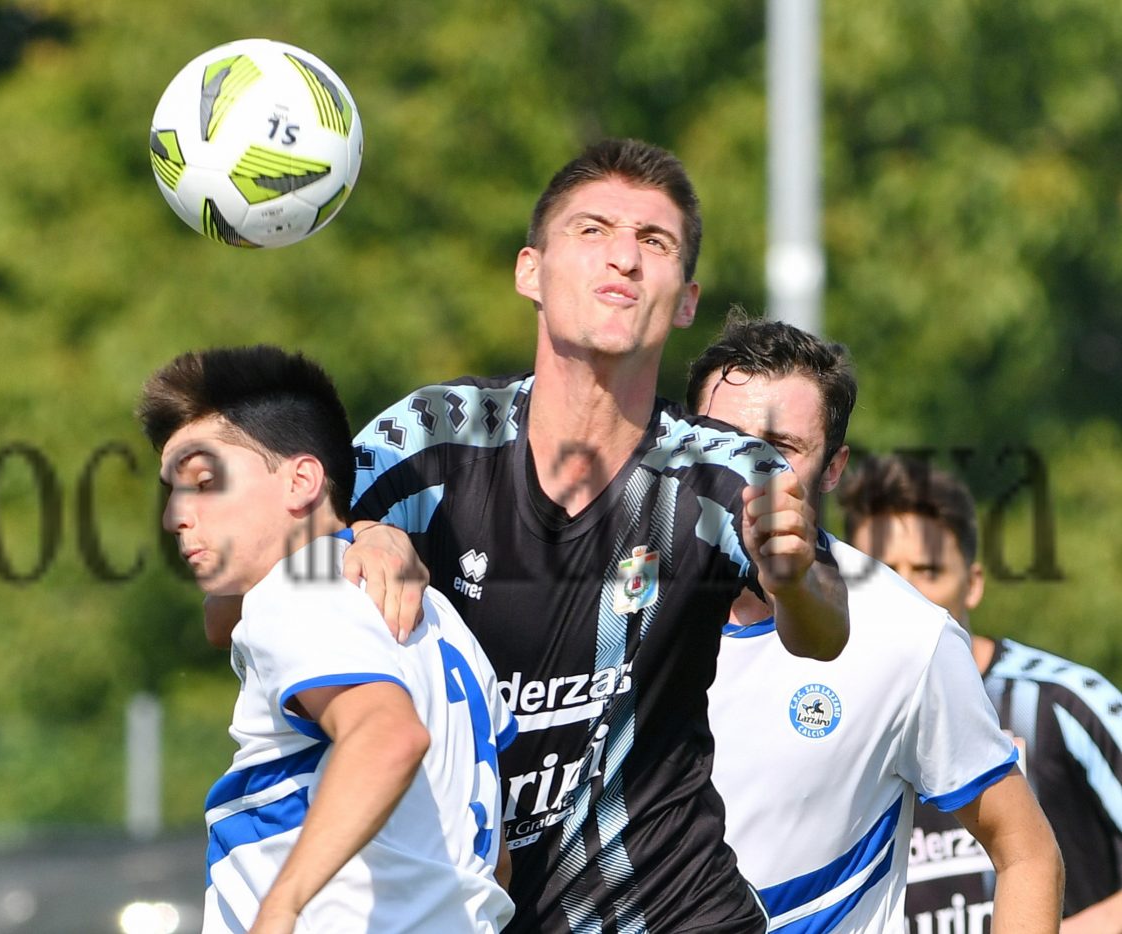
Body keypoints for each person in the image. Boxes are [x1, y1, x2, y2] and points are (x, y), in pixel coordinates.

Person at [350, 138, 850, 932]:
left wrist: (794, 580)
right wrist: (353, 539)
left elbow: (826, 632)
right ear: (530, 270)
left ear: (685, 301)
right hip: (452, 911)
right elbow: (253, 587)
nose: (624, 257)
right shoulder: (429, 436)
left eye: (654, 241)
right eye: (592, 230)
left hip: (671, 912)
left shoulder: (729, 469)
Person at [688, 315, 1062, 932]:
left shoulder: (905, 635)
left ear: (832, 468)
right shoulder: (607, 598)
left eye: (781, 449)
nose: (745, 468)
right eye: (723, 437)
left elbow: (1028, 853)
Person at [137, 344, 516, 933]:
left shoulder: (295, 589)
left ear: (302, 481)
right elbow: (495, 862)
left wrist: (278, 912)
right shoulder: (440, 620)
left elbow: (387, 737)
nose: (174, 517)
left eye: (204, 482)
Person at [839, 454, 1122, 932]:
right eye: (885, 573)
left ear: (972, 584)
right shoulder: (828, 718)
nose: (905, 593)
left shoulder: (1060, 701)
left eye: (927, 571)